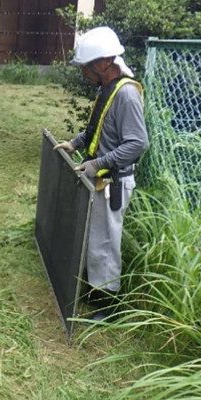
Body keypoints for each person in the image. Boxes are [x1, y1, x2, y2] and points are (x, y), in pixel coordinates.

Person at [53, 26, 149, 321]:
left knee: (106, 242)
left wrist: (97, 164)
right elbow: (98, 128)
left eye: (85, 67)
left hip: (113, 181)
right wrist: (76, 143)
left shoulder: (127, 94)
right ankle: (95, 291)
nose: (83, 72)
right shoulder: (108, 89)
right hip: (101, 177)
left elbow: (138, 143)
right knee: (94, 239)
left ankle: (109, 306)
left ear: (104, 63)